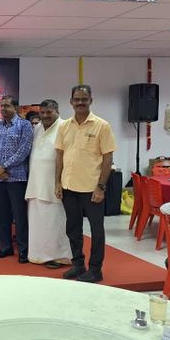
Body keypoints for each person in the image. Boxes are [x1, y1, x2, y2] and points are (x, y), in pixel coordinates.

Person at [55, 84, 116, 283]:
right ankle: (78, 264)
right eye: (77, 99)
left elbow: (107, 158)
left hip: (92, 189)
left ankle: (96, 269)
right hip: (68, 187)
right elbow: (59, 156)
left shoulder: (102, 126)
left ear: (91, 101)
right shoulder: (64, 126)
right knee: (73, 228)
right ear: (71, 101)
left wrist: (101, 186)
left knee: (97, 231)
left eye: (84, 99)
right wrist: (57, 182)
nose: (80, 102)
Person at [25, 100, 71, 268]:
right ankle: (38, 255)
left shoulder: (65, 127)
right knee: (38, 222)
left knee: (55, 222)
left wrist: (59, 182)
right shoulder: (37, 128)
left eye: (49, 112)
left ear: (57, 111)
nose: (45, 116)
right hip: (35, 183)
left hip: (54, 184)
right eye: (42, 113)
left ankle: (60, 256)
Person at [0, 96, 33, 263]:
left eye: (7, 106)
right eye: (2, 106)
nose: (3, 109)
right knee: (2, 215)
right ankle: (5, 247)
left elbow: (24, 150)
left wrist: (4, 166)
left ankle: (23, 250)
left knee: (20, 216)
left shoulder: (25, 125)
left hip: (17, 178)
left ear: (16, 108)